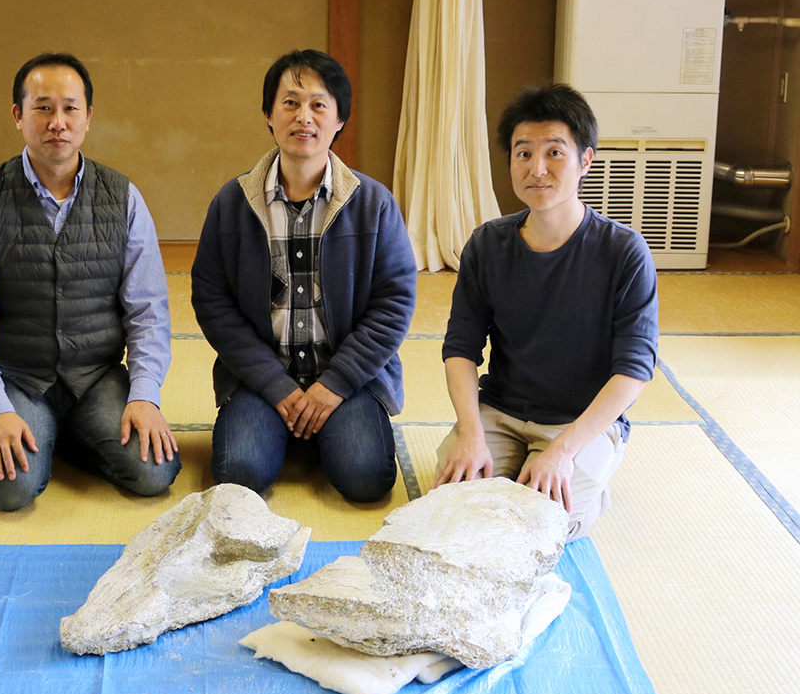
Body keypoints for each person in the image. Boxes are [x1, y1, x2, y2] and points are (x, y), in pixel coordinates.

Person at [0, 52, 181, 511]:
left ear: (88, 117)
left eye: (70, 108)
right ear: (18, 115)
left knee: (155, 472)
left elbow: (148, 311)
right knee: (11, 491)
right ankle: (46, 432)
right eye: (43, 108)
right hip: (19, 379)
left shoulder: (123, 197)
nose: (58, 122)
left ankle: (62, 435)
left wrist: (145, 396)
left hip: (96, 377)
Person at [434, 83, 659, 541]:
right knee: (451, 512)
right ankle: (518, 465)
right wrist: (471, 434)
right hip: (500, 412)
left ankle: (592, 482)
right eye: (523, 153)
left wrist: (564, 450)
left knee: (538, 529)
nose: (537, 168)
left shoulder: (623, 251)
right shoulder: (487, 244)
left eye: (555, 152)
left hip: (579, 424)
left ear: (585, 161)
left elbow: (634, 370)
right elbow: (460, 349)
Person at [191, 49, 417, 503]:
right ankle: (293, 428)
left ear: (339, 119)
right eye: (290, 103)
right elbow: (212, 301)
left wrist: (334, 384)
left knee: (367, 479)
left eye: (318, 105)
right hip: (261, 378)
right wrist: (274, 384)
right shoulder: (233, 202)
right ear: (269, 115)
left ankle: (320, 428)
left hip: (347, 378)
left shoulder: (373, 203)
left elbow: (394, 302)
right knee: (239, 475)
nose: (303, 117)